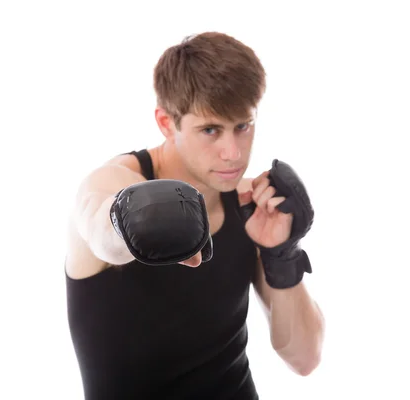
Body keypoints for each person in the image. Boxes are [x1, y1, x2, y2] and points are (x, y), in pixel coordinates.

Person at [64, 31, 325, 399]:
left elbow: (305, 359)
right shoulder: (117, 180)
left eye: (243, 126)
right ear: (167, 123)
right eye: (210, 130)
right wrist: (136, 220)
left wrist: (281, 254)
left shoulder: (250, 206)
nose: (233, 153)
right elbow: (96, 219)